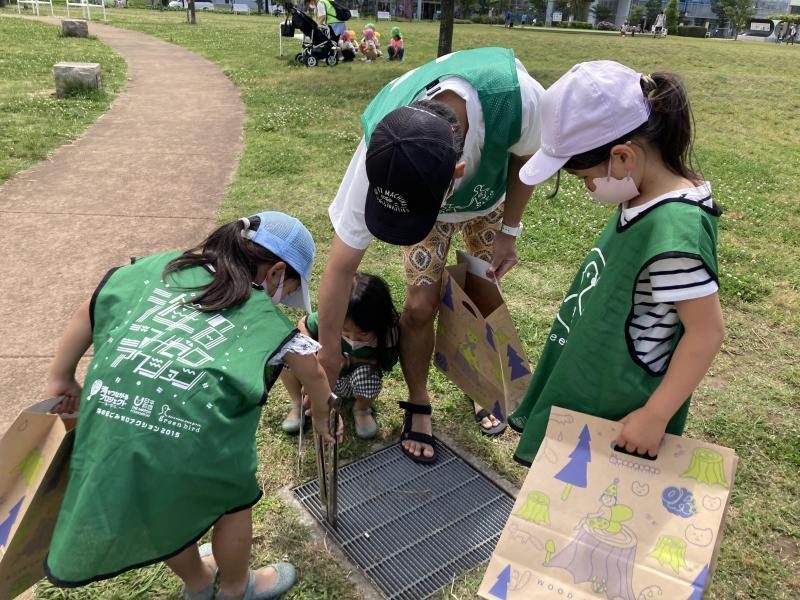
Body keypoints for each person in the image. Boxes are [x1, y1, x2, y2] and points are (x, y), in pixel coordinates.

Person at [43, 212, 342, 599]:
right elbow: (313, 374)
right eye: (287, 290)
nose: (281, 301)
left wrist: (62, 378)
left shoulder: (158, 270)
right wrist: (321, 415)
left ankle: (198, 583)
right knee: (233, 504)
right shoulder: (263, 317)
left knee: (161, 508)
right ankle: (237, 587)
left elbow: (91, 306)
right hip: (196, 434)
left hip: (117, 429)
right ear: (275, 273)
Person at [320, 47, 544, 463]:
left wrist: (509, 229)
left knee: (479, 293)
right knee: (421, 307)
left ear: (457, 173)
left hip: (489, 199)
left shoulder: (522, 99)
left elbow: (526, 157)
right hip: (425, 201)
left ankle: (479, 386)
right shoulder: (380, 146)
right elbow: (340, 266)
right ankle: (419, 399)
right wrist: (329, 350)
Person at [510, 61, 725, 465]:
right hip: (595, 374)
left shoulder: (675, 228)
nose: (590, 187)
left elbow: (706, 332)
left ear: (623, 157)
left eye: (584, 177)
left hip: (620, 406)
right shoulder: (641, 196)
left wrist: (655, 414)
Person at [282, 273, 400, 439]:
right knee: (290, 356)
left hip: (350, 381)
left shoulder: (388, 335)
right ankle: (298, 403)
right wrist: (311, 358)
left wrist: (351, 362)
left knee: (369, 376)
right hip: (320, 377)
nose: (352, 339)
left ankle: (361, 408)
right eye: (345, 331)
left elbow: (384, 364)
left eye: (363, 334)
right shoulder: (330, 317)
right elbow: (303, 323)